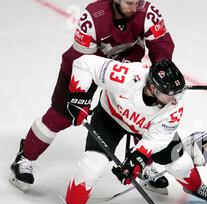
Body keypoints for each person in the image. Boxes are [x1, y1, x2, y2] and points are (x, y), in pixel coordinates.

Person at [10, 0, 174, 191]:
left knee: (142, 112)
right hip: (84, 69)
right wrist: (80, 96)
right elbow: (80, 61)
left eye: (138, 2)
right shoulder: (93, 17)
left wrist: (159, 80)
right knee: (60, 116)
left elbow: (161, 49)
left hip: (124, 71)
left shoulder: (148, 12)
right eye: (130, 2)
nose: (135, 7)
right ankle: (25, 156)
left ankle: (144, 165)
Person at [49, 56, 207, 204]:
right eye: (168, 95)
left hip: (146, 130)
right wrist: (80, 96)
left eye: (177, 93)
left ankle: (196, 187)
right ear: (152, 87)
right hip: (110, 118)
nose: (175, 99)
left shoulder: (174, 105)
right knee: (93, 165)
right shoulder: (126, 76)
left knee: (180, 164)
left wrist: (138, 157)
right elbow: (84, 63)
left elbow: (158, 138)